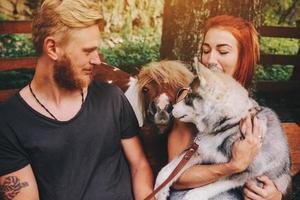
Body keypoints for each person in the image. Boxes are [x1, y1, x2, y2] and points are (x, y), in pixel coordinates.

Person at [0, 0, 153, 199]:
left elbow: (139, 166)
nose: (98, 60)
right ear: (52, 48)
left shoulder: (111, 98)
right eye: (87, 51)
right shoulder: (9, 122)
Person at [168, 15, 283, 200]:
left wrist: (275, 195)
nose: (211, 59)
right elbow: (177, 177)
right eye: (206, 50)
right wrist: (233, 166)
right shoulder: (190, 101)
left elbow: (278, 172)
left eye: (223, 51)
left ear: (242, 57)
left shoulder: (254, 111)